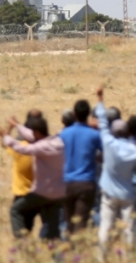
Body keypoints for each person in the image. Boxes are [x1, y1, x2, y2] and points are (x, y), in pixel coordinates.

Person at [94, 85, 136, 252]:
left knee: (105, 226)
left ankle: (101, 256)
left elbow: (103, 123)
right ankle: (129, 257)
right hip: (127, 194)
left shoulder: (108, 144)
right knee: (129, 229)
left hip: (109, 194)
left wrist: (100, 99)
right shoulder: (134, 150)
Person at [0, 114, 65, 239]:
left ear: (36, 133)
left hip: (39, 193)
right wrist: (17, 125)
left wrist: (5, 137)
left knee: (16, 211)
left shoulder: (40, 147)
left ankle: (22, 245)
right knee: (53, 228)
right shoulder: (58, 141)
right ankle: (56, 254)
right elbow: (32, 136)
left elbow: (20, 148)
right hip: (58, 193)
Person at [59, 98, 102, 232]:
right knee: (81, 221)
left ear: (74, 114)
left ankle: (69, 249)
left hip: (66, 182)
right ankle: (80, 250)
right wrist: (96, 158)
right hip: (86, 183)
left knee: (69, 222)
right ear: (88, 114)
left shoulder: (64, 133)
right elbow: (106, 153)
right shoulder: (94, 135)